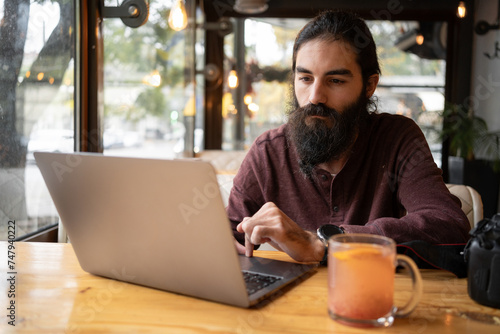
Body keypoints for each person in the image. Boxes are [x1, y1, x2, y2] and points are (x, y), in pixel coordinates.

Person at [228, 9, 470, 264]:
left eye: (335, 81)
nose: (314, 97)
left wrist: (329, 241)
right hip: (284, 299)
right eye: (305, 78)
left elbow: (449, 226)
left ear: (369, 86)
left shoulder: (397, 139)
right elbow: (227, 230)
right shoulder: (268, 151)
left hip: (370, 295)